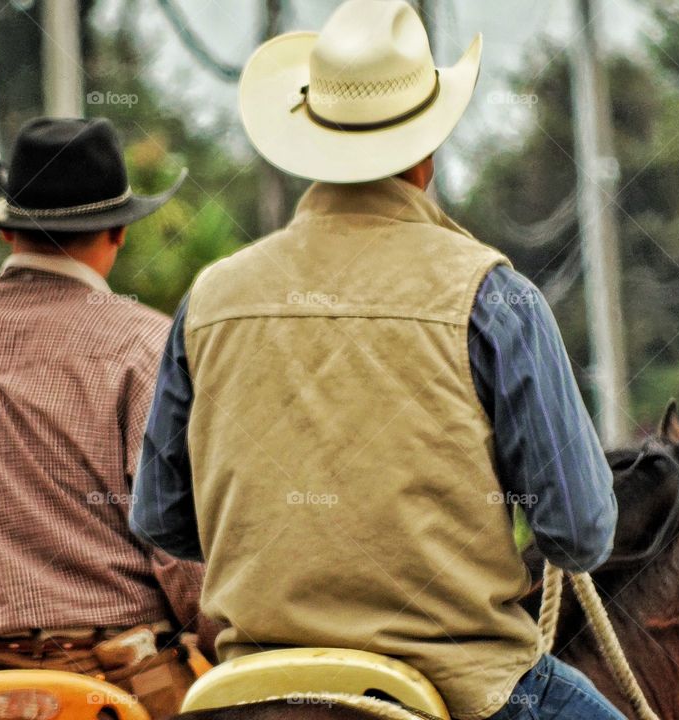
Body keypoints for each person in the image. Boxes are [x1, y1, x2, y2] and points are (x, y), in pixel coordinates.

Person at [131, 2, 623, 719]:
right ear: (428, 151)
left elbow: (161, 519)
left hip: (251, 680)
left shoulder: (212, 297)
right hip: (465, 683)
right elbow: (579, 532)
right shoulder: (494, 296)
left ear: (310, 138)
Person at [0, 117, 215, 719]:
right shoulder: (147, 346)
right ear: (117, 232)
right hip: (117, 687)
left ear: (9, 234)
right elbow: (179, 553)